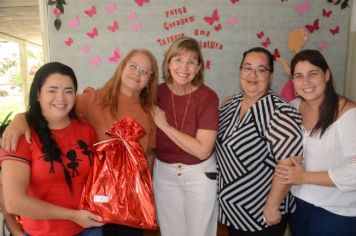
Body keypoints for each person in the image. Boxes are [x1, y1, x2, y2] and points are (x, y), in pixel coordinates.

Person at [1, 49, 159, 236]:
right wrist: (21, 118)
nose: (137, 73)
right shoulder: (93, 100)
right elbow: (54, 106)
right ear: (122, 67)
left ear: (151, 78)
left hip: (121, 209)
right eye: (133, 66)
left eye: (144, 71)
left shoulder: (151, 114)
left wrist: (143, 197)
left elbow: (148, 156)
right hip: (89, 213)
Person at [0, 62, 104, 236]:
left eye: (68, 91)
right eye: (52, 90)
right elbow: (14, 202)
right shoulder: (20, 136)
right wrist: (73, 216)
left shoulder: (86, 130)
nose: (61, 98)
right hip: (44, 232)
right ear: (38, 94)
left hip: (89, 228)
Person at [215, 47, 304, 236]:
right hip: (234, 208)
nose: (252, 75)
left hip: (262, 212)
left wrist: (272, 206)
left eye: (261, 69)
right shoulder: (231, 103)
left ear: (270, 75)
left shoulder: (281, 112)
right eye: (247, 68)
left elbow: (289, 165)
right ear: (240, 71)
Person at [275, 49, 356, 236]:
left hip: (336, 212)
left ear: (326, 75)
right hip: (298, 205)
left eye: (313, 74)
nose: (306, 82)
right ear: (293, 81)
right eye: (299, 76)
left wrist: (304, 177)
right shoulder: (293, 107)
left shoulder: (348, 114)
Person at [151, 36, 219, 236]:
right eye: (178, 59)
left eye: (191, 61)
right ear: (168, 63)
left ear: (198, 68)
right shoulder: (155, 93)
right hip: (164, 174)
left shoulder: (207, 97)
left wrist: (164, 126)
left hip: (199, 174)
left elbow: (202, 150)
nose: (184, 67)